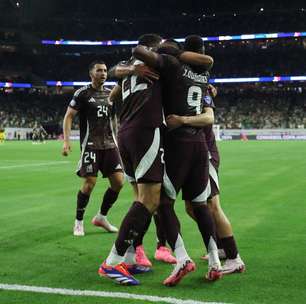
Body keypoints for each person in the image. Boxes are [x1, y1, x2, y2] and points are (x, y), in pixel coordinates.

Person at [132, 39, 223, 285]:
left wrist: (154, 56)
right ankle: (215, 261)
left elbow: (137, 51)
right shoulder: (202, 73)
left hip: (178, 144)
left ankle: (182, 257)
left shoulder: (172, 64)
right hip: (200, 146)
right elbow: (206, 62)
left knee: (162, 203)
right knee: (200, 205)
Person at [170, 35, 245, 275]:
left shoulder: (200, 82)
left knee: (212, 205)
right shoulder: (200, 80)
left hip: (205, 151)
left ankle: (234, 258)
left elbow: (209, 118)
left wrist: (181, 119)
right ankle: (222, 247)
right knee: (193, 208)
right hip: (199, 148)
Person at [62, 60, 124, 237]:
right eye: (99, 71)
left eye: (105, 70)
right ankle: (79, 221)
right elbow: (68, 117)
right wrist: (66, 142)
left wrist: (118, 138)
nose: (103, 73)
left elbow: (114, 120)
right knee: (89, 184)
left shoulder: (111, 93)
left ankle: (101, 217)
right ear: (91, 74)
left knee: (119, 182)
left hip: (110, 145)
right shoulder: (82, 93)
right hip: (91, 145)